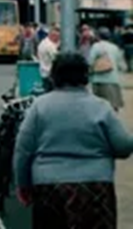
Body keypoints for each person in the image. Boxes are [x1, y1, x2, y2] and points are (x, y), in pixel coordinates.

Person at [14, 52, 133, 228]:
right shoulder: (101, 107)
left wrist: (22, 184)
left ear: (54, 76)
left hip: (48, 186)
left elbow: (23, 150)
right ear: (86, 76)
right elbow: (123, 147)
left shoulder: (39, 107)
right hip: (95, 187)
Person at [88, 27, 125, 112]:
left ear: (98, 36)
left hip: (99, 80)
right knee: (113, 106)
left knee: (99, 107)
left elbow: (90, 62)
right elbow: (121, 64)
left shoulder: (96, 46)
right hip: (114, 80)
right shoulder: (115, 47)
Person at [37, 26, 60, 92]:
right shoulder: (50, 46)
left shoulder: (43, 43)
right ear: (53, 36)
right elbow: (56, 59)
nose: (58, 39)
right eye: (58, 37)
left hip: (43, 71)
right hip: (50, 73)